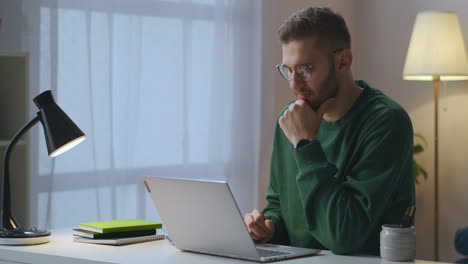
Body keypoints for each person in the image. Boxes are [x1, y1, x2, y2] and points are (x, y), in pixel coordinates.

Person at [244, 6, 415, 255]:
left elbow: (344, 237)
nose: (294, 84)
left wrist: (305, 143)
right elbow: (280, 207)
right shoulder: (289, 119)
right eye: (288, 70)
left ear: (343, 62)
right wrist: (268, 229)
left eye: (305, 69)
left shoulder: (386, 121)